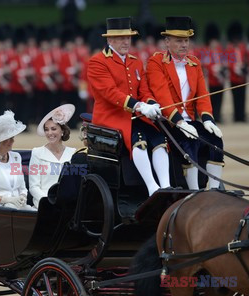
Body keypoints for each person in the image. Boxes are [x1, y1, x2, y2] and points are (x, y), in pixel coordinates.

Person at [87, 17, 171, 196]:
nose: (126, 42)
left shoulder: (135, 61)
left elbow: (144, 91)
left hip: (135, 116)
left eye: (128, 37)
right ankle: (152, 187)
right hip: (112, 118)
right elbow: (110, 93)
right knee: (138, 138)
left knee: (159, 138)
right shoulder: (98, 62)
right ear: (110, 40)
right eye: (121, 38)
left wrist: (151, 103)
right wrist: (139, 106)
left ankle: (165, 186)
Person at [146, 16, 224, 190]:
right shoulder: (156, 62)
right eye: (179, 41)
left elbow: (202, 95)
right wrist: (179, 122)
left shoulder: (194, 62)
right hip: (168, 123)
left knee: (216, 141)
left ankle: (214, 190)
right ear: (167, 42)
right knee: (190, 142)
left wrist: (208, 119)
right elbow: (162, 95)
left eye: (186, 40)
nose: (184, 45)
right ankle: (194, 191)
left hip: (190, 122)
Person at [29, 104, 76, 208]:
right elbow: (33, 187)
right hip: (43, 205)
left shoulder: (73, 153)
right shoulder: (37, 153)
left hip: (67, 206)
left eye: (53, 129)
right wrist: (48, 202)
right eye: (46, 129)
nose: (49, 133)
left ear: (62, 131)